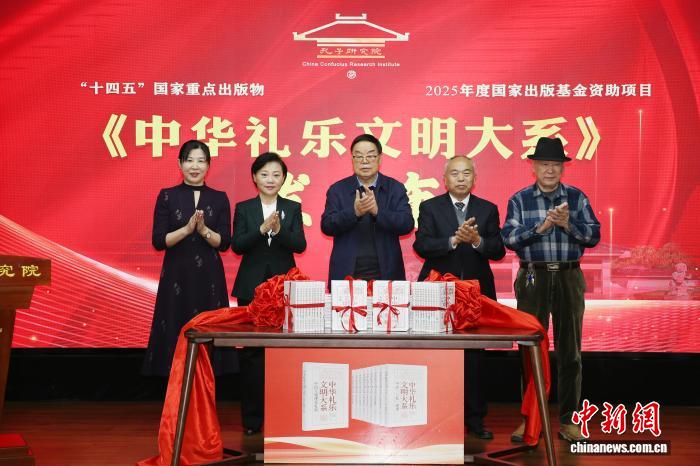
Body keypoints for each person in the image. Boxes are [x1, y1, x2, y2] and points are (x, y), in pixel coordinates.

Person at [501, 137, 600, 443]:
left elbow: (594, 236)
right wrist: (540, 229)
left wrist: (568, 224)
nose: (550, 170)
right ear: (533, 166)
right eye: (544, 164)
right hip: (533, 277)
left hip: (569, 276)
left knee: (571, 352)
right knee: (530, 350)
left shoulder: (577, 197)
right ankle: (531, 419)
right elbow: (509, 239)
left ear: (562, 168)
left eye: (556, 164)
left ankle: (569, 420)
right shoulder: (520, 199)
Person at [413, 156, 505, 439]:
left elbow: (498, 250)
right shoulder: (430, 207)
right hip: (439, 290)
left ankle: (475, 420)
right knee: (438, 355)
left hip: (476, 291)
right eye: (455, 173)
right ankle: (438, 418)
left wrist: (476, 241)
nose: (461, 178)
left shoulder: (487, 209)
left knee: (475, 357)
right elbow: (422, 245)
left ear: (474, 178)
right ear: (445, 179)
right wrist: (453, 240)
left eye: (466, 173)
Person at [231, 152, 307, 435]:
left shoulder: (292, 207)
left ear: (283, 178)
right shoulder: (244, 208)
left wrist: (280, 230)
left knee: (284, 352)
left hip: (284, 288)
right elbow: (237, 245)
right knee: (251, 354)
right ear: (254, 177)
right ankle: (252, 421)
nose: (270, 180)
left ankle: (283, 417)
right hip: (250, 288)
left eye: (276, 174)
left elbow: (299, 245)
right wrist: (262, 229)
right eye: (264, 174)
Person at [143, 140, 233, 377]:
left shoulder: (219, 198)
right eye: (189, 160)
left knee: (209, 327)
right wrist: (186, 229)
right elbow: (159, 241)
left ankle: (207, 381)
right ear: (180, 164)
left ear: (208, 165)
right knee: (174, 325)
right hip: (177, 273)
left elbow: (225, 242)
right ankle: (175, 386)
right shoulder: (167, 196)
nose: (195, 166)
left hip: (209, 275)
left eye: (201, 161)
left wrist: (203, 230)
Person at [321, 134, 414, 282]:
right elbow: (327, 226)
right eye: (359, 156)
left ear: (380, 158)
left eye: (370, 156)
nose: (364, 161)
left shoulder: (395, 188)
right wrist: (354, 212)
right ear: (352, 159)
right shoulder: (338, 190)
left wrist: (378, 212)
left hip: (387, 274)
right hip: (346, 275)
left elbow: (407, 224)